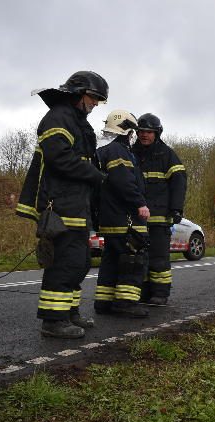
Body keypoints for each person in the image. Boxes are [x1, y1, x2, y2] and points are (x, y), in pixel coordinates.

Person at [15, 70, 108, 338]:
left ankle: (69, 313)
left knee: (78, 263)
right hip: (60, 205)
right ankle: (53, 321)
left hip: (77, 205)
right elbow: (60, 158)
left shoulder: (76, 121)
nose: (95, 104)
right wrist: (96, 175)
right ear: (78, 94)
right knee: (64, 263)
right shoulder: (58, 116)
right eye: (93, 98)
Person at [93, 110, 150, 318]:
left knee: (111, 259)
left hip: (109, 218)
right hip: (126, 219)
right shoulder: (119, 151)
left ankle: (104, 302)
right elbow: (124, 181)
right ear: (125, 130)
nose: (133, 136)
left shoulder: (102, 151)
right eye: (132, 132)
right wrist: (140, 203)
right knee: (132, 259)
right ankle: (126, 303)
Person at [132, 113, 186, 305]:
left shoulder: (167, 154)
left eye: (149, 132)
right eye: (141, 131)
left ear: (157, 133)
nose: (144, 135)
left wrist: (176, 209)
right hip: (137, 219)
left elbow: (179, 183)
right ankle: (144, 292)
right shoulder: (132, 153)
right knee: (139, 257)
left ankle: (160, 293)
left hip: (160, 217)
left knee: (159, 257)